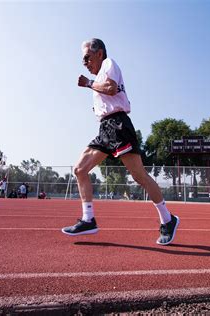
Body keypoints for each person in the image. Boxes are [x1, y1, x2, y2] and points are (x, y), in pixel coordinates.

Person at [61, 38, 180, 245]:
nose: (85, 63)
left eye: (87, 58)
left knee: (140, 176)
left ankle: (168, 219)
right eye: (83, 61)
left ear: (99, 53)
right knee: (80, 170)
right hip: (105, 128)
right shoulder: (99, 75)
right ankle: (88, 220)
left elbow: (111, 88)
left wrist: (89, 84)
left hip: (119, 126)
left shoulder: (108, 64)